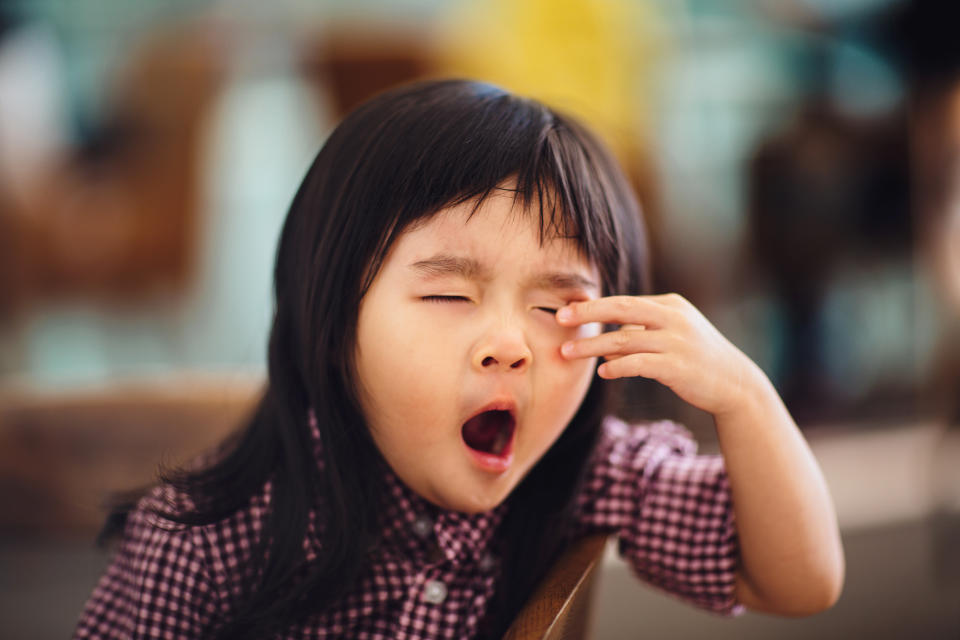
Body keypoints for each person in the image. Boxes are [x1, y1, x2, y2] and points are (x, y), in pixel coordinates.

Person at [73, 79, 843, 640]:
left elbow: (799, 580)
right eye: (448, 298)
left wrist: (744, 394)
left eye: (556, 308)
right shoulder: (204, 538)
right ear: (333, 317)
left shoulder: (585, 472)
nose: (509, 345)